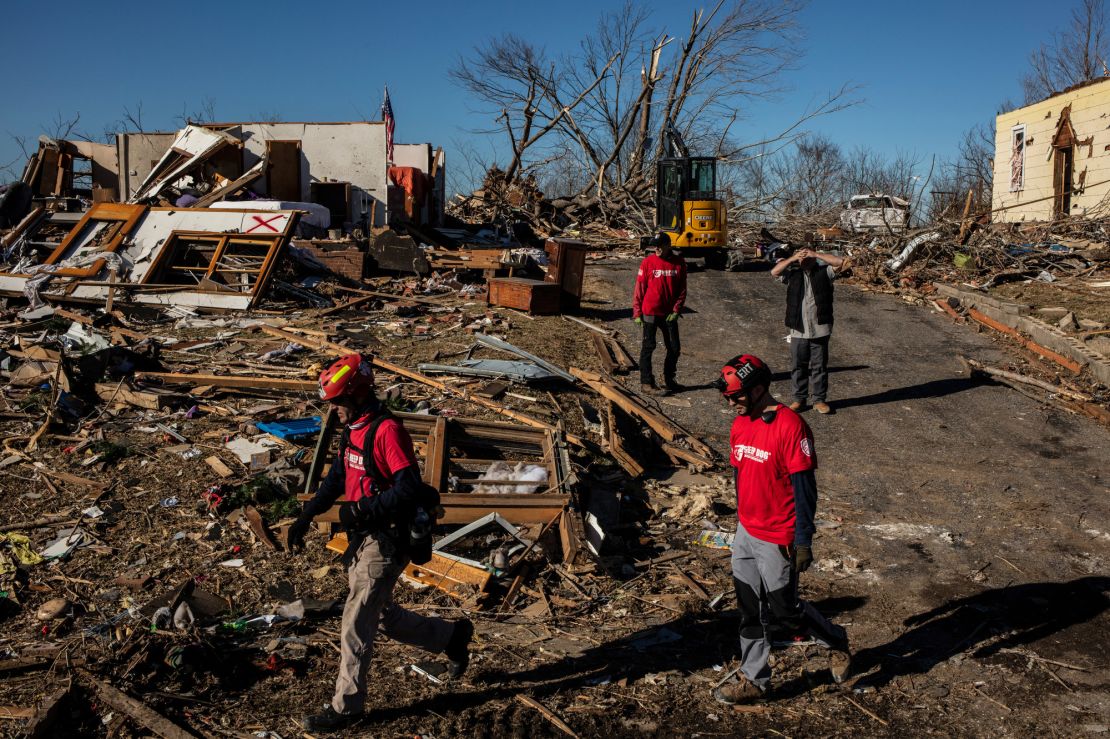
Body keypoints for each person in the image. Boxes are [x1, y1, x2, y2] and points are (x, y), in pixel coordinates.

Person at [287, 354, 474, 733]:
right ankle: (451, 637)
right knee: (382, 616)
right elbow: (338, 477)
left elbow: (408, 487)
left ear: (356, 395)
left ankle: (347, 707)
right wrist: (307, 515)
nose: (334, 410)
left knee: (356, 621)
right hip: (364, 536)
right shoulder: (353, 427)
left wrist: (362, 510)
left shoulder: (387, 431)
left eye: (337, 402)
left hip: (387, 538)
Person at [711, 354, 851, 704]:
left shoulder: (791, 426)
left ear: (759, 389)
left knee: (786, 612)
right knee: (749, 608)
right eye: (727, 397)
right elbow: (739, 473)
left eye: (736, 395)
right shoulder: (740, 424)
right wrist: (742, 516)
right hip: (746, 531)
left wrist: (803, 539)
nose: (731, 403)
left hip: (778, 537)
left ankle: (836, 640)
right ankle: (754, 678)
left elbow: (806, 490)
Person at [769, 246, 848, 414]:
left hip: (820, 327)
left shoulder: (824, 272)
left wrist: (816, 254)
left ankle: (819, 400)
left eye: (807, 256)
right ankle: (799, 399)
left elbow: (841, 262)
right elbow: (774, 272)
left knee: (819, 366)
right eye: (801, 257)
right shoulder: (792, 274)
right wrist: (792, 258)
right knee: (798, 365)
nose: (804, 259)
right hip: (798, 329)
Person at [632, 232, 687, 395]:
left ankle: (669, 380)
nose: (656, 248)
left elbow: (682, 289)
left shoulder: (679, 263)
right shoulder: (648, 262)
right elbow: (639, 288)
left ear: (668, 245)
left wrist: (677, 309)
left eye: (659, 246)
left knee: (674, 348)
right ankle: (646, 383)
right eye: (654, 246)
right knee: (648, 347)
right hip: (650, 312)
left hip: (669, 314)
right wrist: (637, 311)